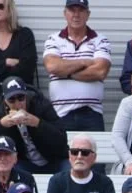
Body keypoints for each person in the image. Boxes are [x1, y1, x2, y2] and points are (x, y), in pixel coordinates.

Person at [42, 0, 112, 132]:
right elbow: (52, 66)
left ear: (88, 14)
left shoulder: (100, 40)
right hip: (61, 114)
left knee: (95, 146)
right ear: (65, 13)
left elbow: (100, 71)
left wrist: (66, 72)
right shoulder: (54, 39)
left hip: (92, 113)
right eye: (72, 10)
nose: (76, 15)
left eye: (81, 10)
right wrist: (85, 62)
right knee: (61, 146)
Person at [0, 76, 65, 174]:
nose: (18, 104)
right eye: (12, 100)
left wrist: (38, 123)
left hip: (53, 160)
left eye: (21, 98)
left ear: (26, 96)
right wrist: (1, 126)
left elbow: (62, 139)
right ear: (5, 100)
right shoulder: (0, 112)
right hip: (24, 164)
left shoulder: (41, 105)